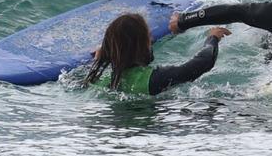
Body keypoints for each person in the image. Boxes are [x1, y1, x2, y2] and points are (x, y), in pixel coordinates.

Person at [85, 13, 231, 95]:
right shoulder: (155, 80)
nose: (152, 39)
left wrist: (101, 57)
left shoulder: (98, 79)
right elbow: (203, 62)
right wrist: (213, 37)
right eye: (148, 37)